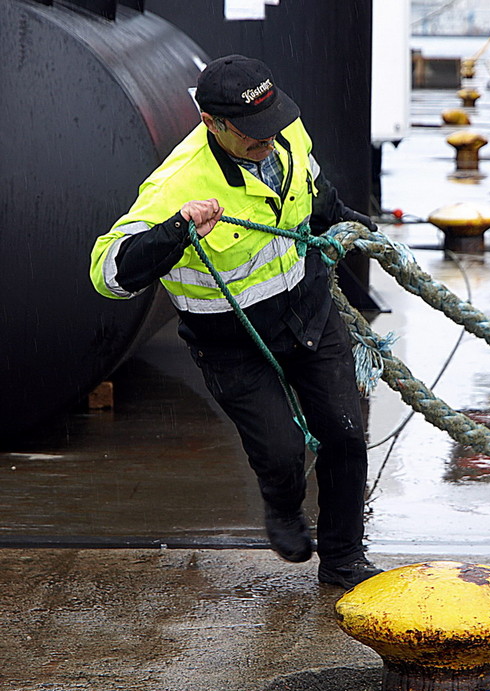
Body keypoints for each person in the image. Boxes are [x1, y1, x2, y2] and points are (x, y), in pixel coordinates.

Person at [90, 55, 382, 589]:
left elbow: (313, 192)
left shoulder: (283, 130)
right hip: (231, 343)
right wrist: (176, 230)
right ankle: (283, 503)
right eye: (251, 134)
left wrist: (356, 226)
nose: (267, 140)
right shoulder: (177, 185)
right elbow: (109, 273)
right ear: (212, 124)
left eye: (272, 125)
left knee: (344, 433)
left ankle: (344, 560)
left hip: (308, 312)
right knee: (280, 450)